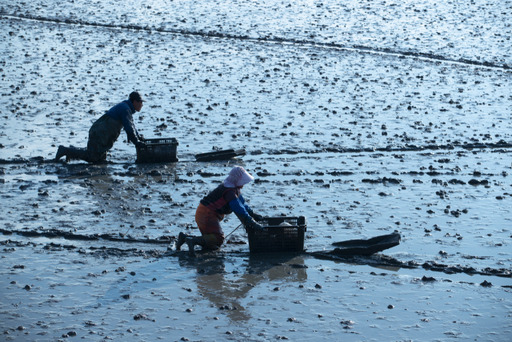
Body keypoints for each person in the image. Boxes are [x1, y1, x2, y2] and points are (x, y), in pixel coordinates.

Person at [176, 166, 264, 255]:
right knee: (218, 238)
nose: (243, 184)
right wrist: (251, 222)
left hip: (204, 212)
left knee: (212, 245)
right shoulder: (229, 193)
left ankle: (184, 237)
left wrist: (253, 214)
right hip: (206, 214)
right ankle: (192, 241)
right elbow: (238, 209)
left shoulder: (233, 189)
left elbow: (243, 204)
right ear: (237, 180)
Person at [55, 91, 146, 163]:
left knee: (99, 158)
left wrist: (138, 138)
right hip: (99, 133)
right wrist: (137, 142)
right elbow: (129, 127)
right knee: (93, 157)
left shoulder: (126, 108)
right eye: (141, 102)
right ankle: (66, 150)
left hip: (101, 133)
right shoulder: (125, 109)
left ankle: (71, 150)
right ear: (134, 101)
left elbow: (131, 125)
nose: (142, 105)